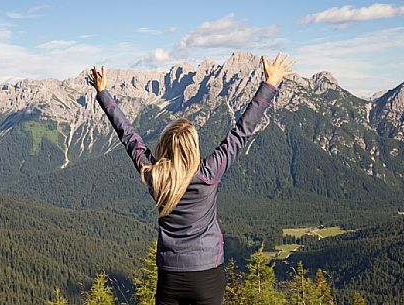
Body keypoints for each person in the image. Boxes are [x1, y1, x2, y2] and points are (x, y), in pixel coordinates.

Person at [87, 52, 295, 305]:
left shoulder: (155, 175)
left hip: (170, 275)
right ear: (193, 148)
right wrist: (270, 84)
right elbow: (242, 131)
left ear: (165, 145)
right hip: (207, 273)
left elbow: (129, 136)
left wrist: (103, 93)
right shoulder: (209, 173)